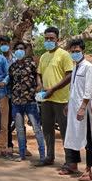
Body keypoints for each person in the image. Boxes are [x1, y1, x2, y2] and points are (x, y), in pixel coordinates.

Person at [36, 27, 73, 167]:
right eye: (46, 38)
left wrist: (53, 89)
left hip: (61, 99)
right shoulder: (44, 56)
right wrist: (39, 84)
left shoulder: (64, 55)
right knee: (47, 129)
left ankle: (69, 161)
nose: (49, 41)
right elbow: (38, 73)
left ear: (57, 39)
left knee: (64, 130)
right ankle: (49, 156)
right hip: (46, 98)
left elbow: (69, 75)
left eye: (51, 38)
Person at [62, 39, 92, 181]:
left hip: (84, 108)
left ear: (84, 51)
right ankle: (73, 166)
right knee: (72, 135)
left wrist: (83, 107)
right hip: (73, 106)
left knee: (88, 137)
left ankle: (88, 169)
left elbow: (89, 89)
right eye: (73, 51)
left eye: (77, 51)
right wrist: (69, 104)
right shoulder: (75, 67)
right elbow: (74, 88)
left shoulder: (88, 67)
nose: (75, 54)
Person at [9, 42, 45, 162]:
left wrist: (39, 85)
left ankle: (42, 154)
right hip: (16, 102)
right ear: (14, 51)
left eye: (22, 49)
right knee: (19, 129)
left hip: (30, 101)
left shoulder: (32, 64)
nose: (19, 51)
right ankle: (22, 153)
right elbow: (11, 82)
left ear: (25, 50)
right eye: (17, 49)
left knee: (37, 129)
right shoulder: (12, 67)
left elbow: (38, 76)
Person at [0, 35, 18, 156]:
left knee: (18, 119)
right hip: (4, 93)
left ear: (9, 44)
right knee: (6, 121)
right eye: (1, 44)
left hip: (16, 93)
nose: (4, 46)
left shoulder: (17, 58)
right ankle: (9, 145)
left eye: (5, 43)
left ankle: (23, 146)